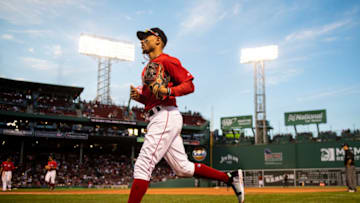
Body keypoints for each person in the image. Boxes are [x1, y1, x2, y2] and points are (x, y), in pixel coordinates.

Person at [128, 27, 244, 203]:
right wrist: (141, 98)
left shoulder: (167, 60)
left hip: (165, 116)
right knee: (183, 168)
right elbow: (154, 99)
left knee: (143, 165)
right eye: (141, 38)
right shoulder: (146, 70)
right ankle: (230, 177)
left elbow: (189, 85)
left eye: (146, 37)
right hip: (158, 115)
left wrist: (168, 90)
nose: (142, 41)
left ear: (158, 40)